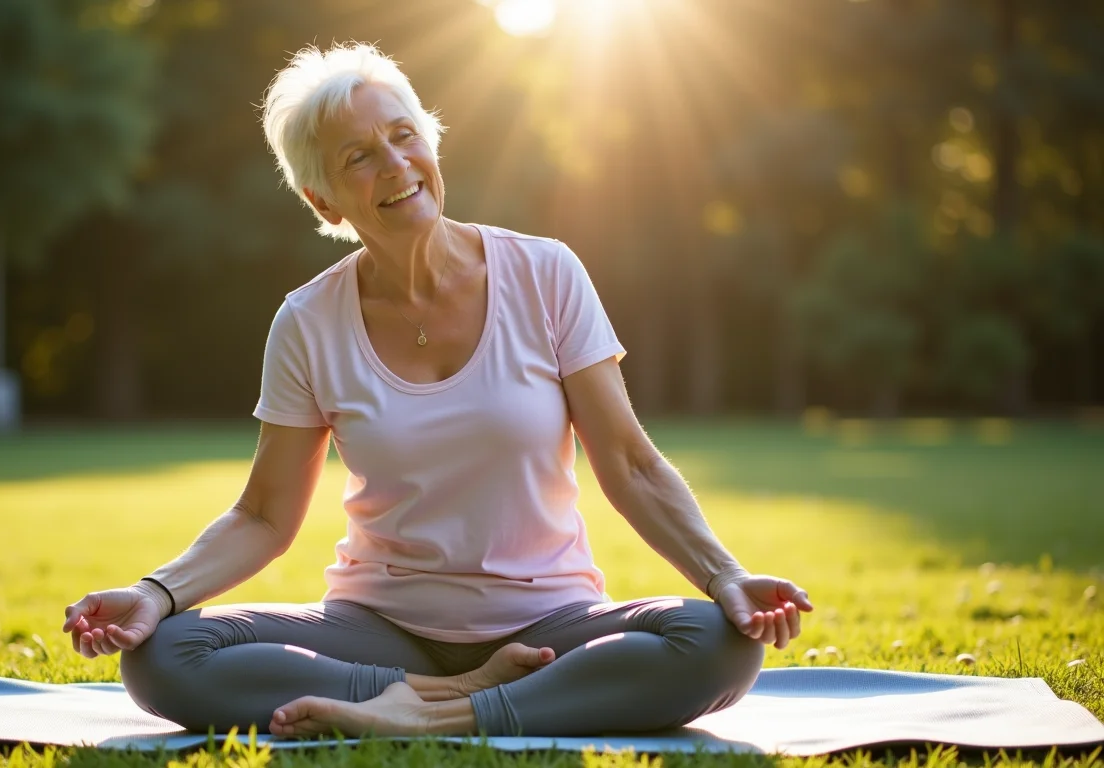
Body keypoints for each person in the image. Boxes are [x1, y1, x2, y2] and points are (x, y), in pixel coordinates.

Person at [61, 41, 813, 740]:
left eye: (404, 134)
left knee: (717, 640)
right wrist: (156, 594)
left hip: (546, 619)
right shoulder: (307, 321)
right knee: (165, 656)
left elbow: (632, 464)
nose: (394, 164)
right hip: (378, 625)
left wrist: (727, 575)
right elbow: (262, 515)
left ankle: (437, 716)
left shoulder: (546, 274)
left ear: (431, 143)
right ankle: (438, 695)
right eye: (359, 156)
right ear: (324, 202)